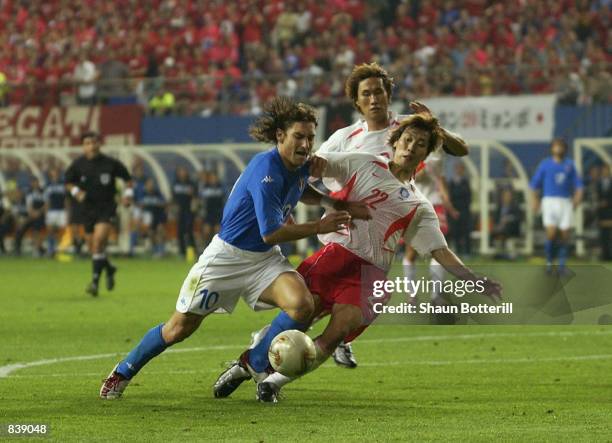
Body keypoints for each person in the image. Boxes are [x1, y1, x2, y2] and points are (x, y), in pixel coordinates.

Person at [213, 114, 502, 402]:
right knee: (300, 316)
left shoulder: (419, 206)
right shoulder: (364, 162)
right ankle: (245, 365)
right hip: (334, 258)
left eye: (420, 144)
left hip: (370, 274)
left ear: (426, 153)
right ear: (396, 141)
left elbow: (441, 251)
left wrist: (475, 280)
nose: (411, 147)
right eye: (408, 139)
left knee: (338, 330)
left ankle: (272, 384)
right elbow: (318, 164)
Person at [99, 97, 369, 400]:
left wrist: (333, 202)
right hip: (226, 258)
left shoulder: (302, 164)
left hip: (263, 261)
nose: (306, 144)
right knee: (178, 329)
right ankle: (122, 371)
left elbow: (300, 187)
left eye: (309, 137)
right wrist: (320, 226)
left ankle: (253, 361)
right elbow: (271, 232)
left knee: (303, 305)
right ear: (280, 136)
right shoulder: (266, 169)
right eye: (298, 137)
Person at [316, 62, 467, 367]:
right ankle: (279, 340)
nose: (374, 99)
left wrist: (435, 126)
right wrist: (329, 206)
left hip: (385, 229)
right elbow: (310, 174)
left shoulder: (408, 131)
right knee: (316, 305)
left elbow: (460, 149)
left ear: (389, 95)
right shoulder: (344, 138)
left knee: (370, 296)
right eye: (367, 94)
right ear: (357, 101)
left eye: (379, 92)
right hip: (343, 232)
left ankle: (338, 339)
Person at [65, 131, 133, 296]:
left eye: (94, 142)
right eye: (87, 143)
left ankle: (95, 283)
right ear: (83, 146)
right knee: (94, 248)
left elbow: (128, 179)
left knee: (98, 241)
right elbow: (68, 182)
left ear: (99, 144)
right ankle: (109, 268)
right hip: (87, 209)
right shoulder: (77, 165)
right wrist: (76, 192)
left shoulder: (110, 163)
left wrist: (127, 196)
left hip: (106, 207)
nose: (91, 146)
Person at [530, 138, 583, 274]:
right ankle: (549, 264)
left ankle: (562, 266)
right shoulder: (545, 165)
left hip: (565, 202)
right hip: (550, 201)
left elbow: (578, 185)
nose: (558, 148)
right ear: (552, 148)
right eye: (556, 146)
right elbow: (534, 185)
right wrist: (535, 200)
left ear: (565, 148)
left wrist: (577, 197)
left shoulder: (570, 164)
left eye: (561, 146)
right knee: (551, 234)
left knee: (565, 234)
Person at [14, 177, 46, 257]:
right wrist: (32, 214)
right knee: (20, 231)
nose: (35, 184)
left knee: (36, 231)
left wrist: (38, 212)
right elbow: (29, 206)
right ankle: (18, 249)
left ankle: (38, 249)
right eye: (33, 182)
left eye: (36, 182)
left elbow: (46, 203)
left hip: (39, 216)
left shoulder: (42, 192)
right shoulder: (29, 193)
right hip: (30, 216)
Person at [172, 166, 196, 258]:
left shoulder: (191, 184)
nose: (182, 173)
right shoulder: (175, 184)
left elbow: (195, 197)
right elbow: (173, 197)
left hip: (189, 211)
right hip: (179, 211)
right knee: (180, 231)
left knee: (189, 231)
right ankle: (182, 252)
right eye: (180, 172)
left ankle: (193, 251)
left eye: (184, 171)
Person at [449, 161, 472, 255]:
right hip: (454, 211)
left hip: (464, 211)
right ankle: (458, 251)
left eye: (460, 168)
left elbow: (468, 197)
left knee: (466, 232)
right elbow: (450, 196)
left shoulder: (465, 182)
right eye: (457, 168)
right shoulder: (451, 182)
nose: (459, 170)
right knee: (456, 232)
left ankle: (467, 252)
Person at [140, 177, 167, 257]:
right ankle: (155, 250)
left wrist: (158, 204)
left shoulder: (157, 193)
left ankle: (161, 250)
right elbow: (139, 204)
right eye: (149, 184)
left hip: (158, 215)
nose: (150, 186)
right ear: (146, 185)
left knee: (160, 231)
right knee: (151, 234)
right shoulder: (143, 194)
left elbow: (164, 203)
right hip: (148, 218)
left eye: (152, 184)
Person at [44, 167, 67, 257]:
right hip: (51, 211)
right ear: (50, 175)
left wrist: (67, 212)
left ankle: (59, 249)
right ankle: (50, 250)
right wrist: (46, 213)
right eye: (53, 173)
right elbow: (47, 201)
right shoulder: (48, 185)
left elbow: (66, 200)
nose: (55, 174)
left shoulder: (63, 185)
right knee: (50, 231)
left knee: (60, 231)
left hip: (61, 211)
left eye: (56, 173)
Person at [596, 164, 612, 261]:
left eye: (607, 170)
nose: (605, 172)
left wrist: (608, 203)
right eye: (603, 170)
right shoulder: (598, 183)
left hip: (610, 212)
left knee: (610, 236)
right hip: (601, 214)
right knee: (603, 235)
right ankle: (605, 255)